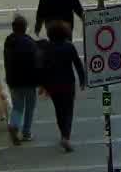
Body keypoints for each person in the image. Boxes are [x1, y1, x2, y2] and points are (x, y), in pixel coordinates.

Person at [38, 20, 86, 152]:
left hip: (53, 85)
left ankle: (63, 133)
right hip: (68, 83)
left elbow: (42, 68)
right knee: (68, 110)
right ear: (65, 33)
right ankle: (66, 136)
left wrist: (42, 85)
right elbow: (77, 64)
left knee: (59, 110)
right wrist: (82, 80)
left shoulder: (47, 48)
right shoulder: (69, 46)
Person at [2, 12, 39, 143]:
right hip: (29, 82)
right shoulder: (30, 43)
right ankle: (26, 132)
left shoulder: (9, 41)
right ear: (25, 27)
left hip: (14, 81)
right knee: (30, 107)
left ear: (13, 27)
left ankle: (14, 126)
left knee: (17, 107)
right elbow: (36, 63)